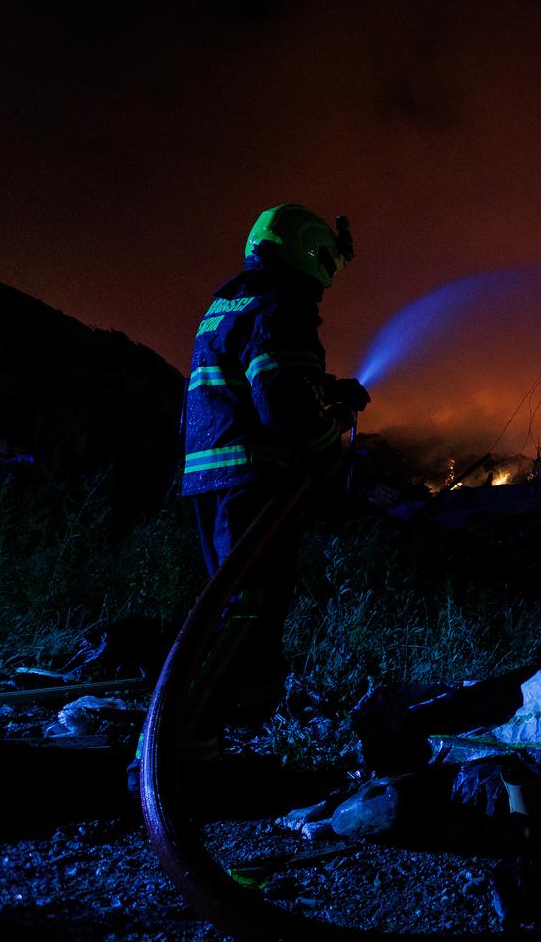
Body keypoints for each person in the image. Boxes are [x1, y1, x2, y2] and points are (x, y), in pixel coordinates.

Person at [178, 203, 369, 740]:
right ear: (311, 253)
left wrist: (328, 391)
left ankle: (240, 723)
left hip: (214, 476)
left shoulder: (231, 299)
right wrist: (327, 442)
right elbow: (283, 403)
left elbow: (263, 375)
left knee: (231, 603)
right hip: (251, 478)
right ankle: (185, 739)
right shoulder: (285, 303)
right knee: (249, 608)